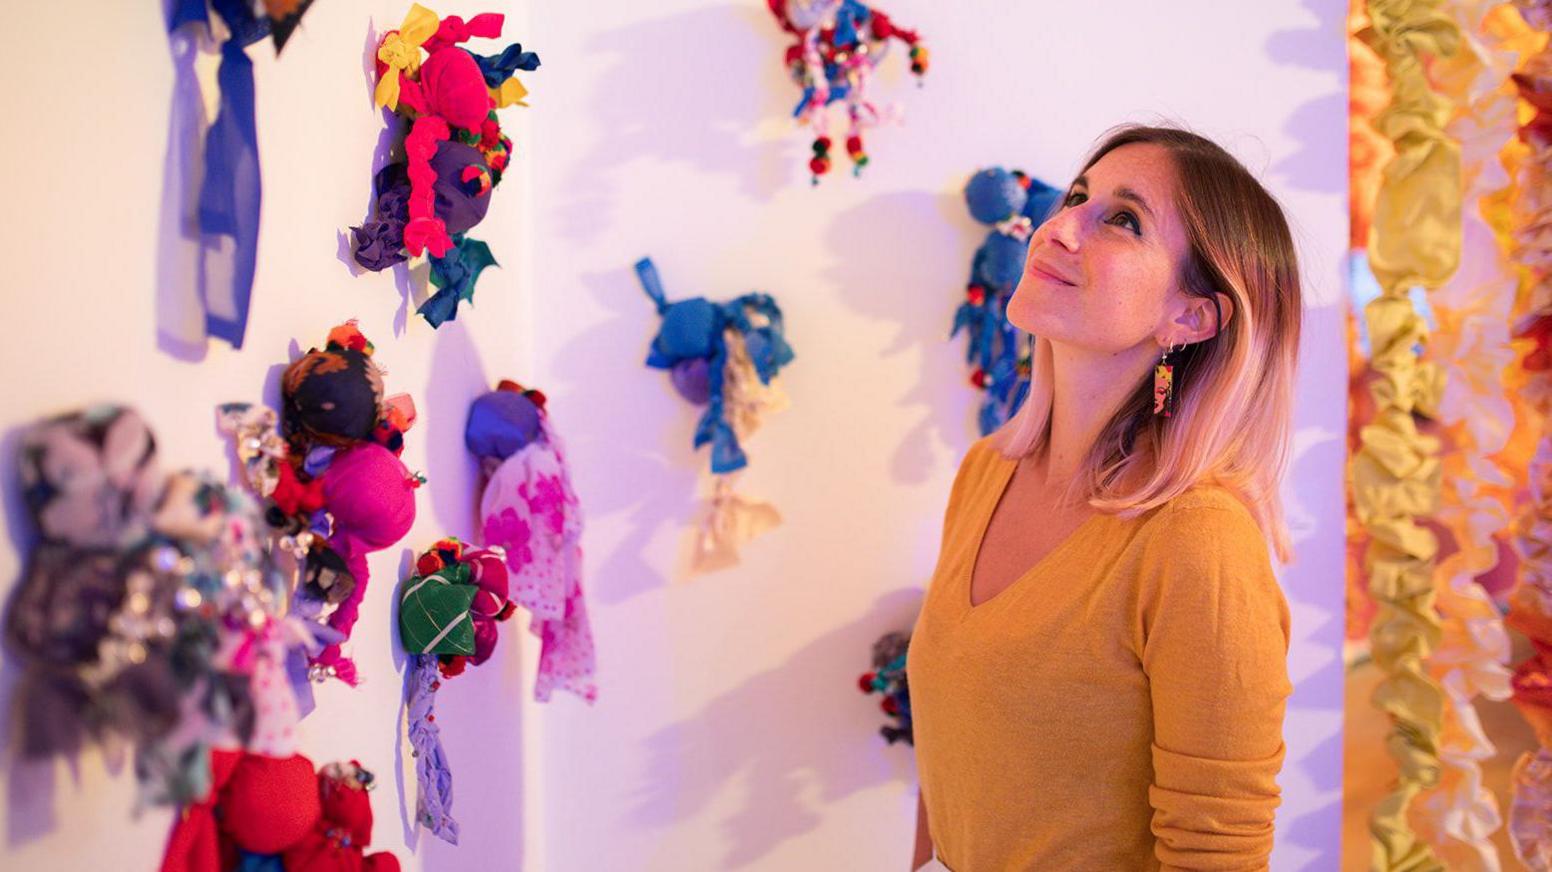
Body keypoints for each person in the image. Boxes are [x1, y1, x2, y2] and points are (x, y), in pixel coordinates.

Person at [907, 125, 1301, 871]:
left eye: (1122, 220)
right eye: (1077, 198)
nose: (1058, 228)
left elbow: (1216, 853)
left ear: (1192, 317)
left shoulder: (1198, 543)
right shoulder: (988, 470)